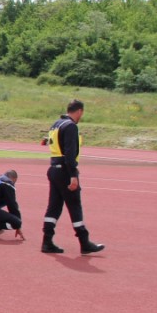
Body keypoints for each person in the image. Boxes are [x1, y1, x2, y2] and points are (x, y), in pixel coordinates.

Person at [42, 99, 105, 255]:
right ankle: (84, 242)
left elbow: (49, 142)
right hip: (64, 170)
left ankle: (47, 241)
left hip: (54, 169)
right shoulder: (71, 126)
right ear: (79, 111)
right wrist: (73, 175)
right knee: (75, 205)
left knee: (54, 206)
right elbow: (70, 154)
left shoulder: (56, 124)